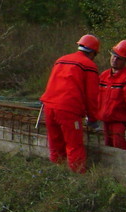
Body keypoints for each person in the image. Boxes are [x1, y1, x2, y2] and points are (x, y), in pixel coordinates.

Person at [40, 34, 101, 173]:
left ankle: (57, 175)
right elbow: (91, 96)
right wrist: (92, 118)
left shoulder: (61, 60)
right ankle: (76, 178)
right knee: (74, 146)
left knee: (56, 144)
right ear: (92, 52)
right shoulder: (89, 65)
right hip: (68, 109)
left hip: (49, 106)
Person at [98, 39, 126, 151]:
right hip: (106, 122)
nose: (114, 59)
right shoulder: (104, 76)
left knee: (121, 153)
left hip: (120, 125)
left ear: (125, 60)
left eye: (119, 58)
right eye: (114, 55)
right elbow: (97, 97)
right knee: (107, 152)